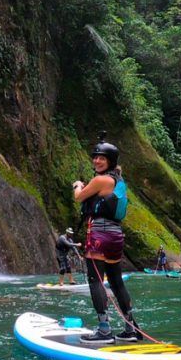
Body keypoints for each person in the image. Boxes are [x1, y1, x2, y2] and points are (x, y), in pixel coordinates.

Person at [72, 135, 141, 344]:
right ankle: (132, 329)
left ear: (110, 161)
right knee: (116, 281)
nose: (97, 161)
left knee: (96, 281)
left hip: (100, 235)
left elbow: (79, 197)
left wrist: (77, 184)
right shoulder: (119, 181)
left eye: (102, 158)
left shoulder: (101, 180)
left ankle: (104, 330)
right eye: (95, 157)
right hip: (115, 235)